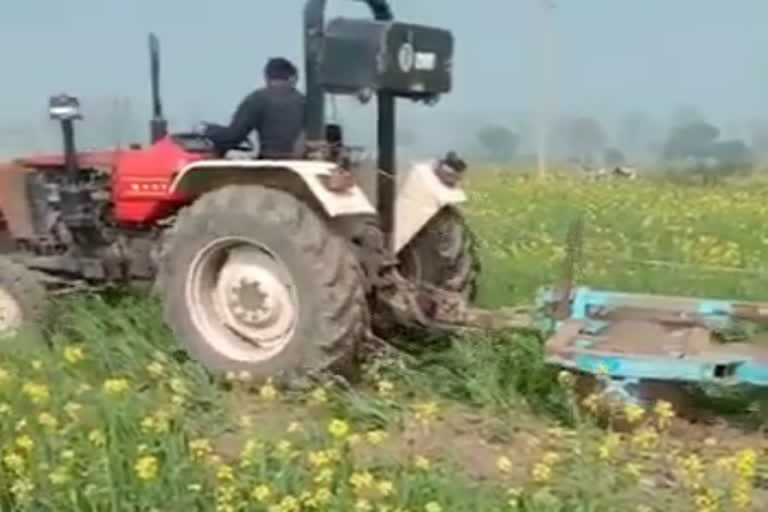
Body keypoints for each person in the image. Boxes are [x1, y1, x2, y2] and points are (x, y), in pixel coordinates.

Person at [202, 57, 305, 159]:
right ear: (292, 78)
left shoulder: (258, 99)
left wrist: (209, 131)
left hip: (271, 166)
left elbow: (234, 136)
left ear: (266, 77)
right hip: (303, 164)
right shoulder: (305, 102)